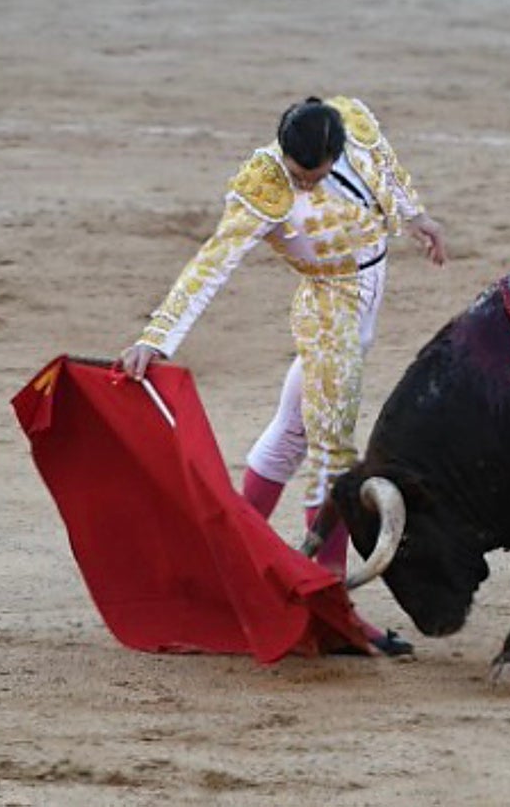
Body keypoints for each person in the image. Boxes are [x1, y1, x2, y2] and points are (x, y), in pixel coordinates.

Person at [119, 95, 447, 657]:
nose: (301, 183)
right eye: (295, 173)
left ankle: (226, 566)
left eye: (309, 174)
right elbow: (211, 264)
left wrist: (413, 213)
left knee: (293, 430)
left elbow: (382, 160)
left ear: (332, 154)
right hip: (328, 311)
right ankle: (328, 602)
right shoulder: (264, 185)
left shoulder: (353, 123)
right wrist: (158, 337)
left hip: (365, 299)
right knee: (333, 450)